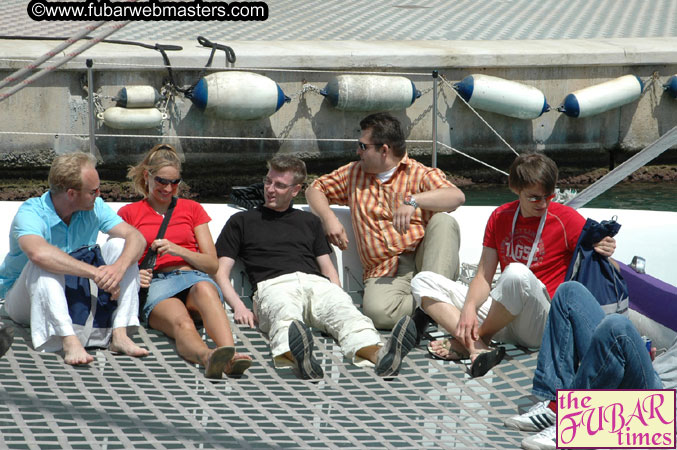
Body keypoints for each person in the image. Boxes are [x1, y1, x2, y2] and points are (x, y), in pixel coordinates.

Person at [411, 153, 617, 377]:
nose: (544, 203)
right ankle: (476, 346)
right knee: (422, 281)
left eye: (549, 196)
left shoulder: (566, 218)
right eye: (534, 198)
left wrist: (606, 249)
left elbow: (604, 263)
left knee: (516, 273)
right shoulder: (500, 217)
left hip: (540, 322)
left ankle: (477, 337)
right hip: (503, 314)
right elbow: (482, 276)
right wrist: (469, 308)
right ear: (516, 189)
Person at [213, 155, 417, 379]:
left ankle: (382, 356)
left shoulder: (309, 222)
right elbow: (220, 271)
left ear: (295, 190)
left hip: (316, 283)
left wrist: (338, 294)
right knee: (285, 316)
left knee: (348, 316)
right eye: (268, 181)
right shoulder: (241, 222)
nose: (270, 189)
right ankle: (299, 359)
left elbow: (327, 268)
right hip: (274, 285)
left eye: (279, 185)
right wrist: (239, 307)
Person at [306, 112, 465, 330]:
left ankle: (432, 302)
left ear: (384, 150)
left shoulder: (418, 173)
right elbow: (315, 189)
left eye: (362, 146)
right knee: (378, 314)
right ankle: (435, 308)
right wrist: (329, 219)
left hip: (425, 261)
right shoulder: (353, 173)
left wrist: (413, 201)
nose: (357, 151)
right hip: (383, 270)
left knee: (444, 223)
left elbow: (456, 196)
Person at [0, 152, 148, 365]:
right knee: (43, 263)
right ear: (71, 193)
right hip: (23, 301)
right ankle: (69, 341)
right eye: (93, 191)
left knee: (120, 244)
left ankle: (120, 333)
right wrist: (97, 273)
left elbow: (136, 237)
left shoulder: (94, 207)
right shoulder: (31, 212)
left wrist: (118, 269)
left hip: (73, 291)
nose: (99, 193)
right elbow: (38, 253)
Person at [118, 144, 251, 379]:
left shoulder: (192, 209)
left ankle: (229, 355)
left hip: (191, 276)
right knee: (182, 323)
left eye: (175, 182)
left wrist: (178, 250)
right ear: (147, 176)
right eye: (161, 181)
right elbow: (118, 259)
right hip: (157, 284)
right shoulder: (129, 213)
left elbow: (212, 265)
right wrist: (136, 274)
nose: (168, 188)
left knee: (205, 288)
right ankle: (208, 357)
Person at [504, 281, 675, 450]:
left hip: (658, 408)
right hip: (650, 376)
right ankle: (556, 407)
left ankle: (574, 425)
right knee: (570, 293)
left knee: (617, 327)